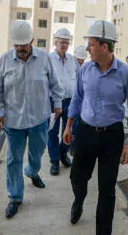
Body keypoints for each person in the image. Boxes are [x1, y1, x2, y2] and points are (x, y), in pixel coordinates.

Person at [63, 20, 128, 234]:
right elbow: (77, 98)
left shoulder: (126, 74)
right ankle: (78, 200)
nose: (87, 49)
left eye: (91, 44)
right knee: (77, 177)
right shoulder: (85, 69)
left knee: (107, 191)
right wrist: (69, 125)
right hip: (86, 133)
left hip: (112, 137)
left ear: (104, 47)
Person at [0, 21, 64, 218]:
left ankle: (32, 171)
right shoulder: (4, 61)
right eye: (17, 45)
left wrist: (57, 103)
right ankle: (15, 196)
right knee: (14, 159)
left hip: (39, 118)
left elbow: (55, 84)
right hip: (13, 121)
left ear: (31, 40)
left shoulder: (44, 59)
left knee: (38, 153)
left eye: (24, 44)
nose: (21, 49)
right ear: (12, 43)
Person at [47, 28, 78, 176]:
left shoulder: (72, 60)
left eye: (66, 42)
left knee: (71, 130)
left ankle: (63, 154)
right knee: (52, 132)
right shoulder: (48, 59)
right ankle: (54, 161)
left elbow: (80, 78)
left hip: (71, 101)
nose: (64, 45)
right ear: (55, 42)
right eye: (61, 42)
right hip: (52, 102)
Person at [69, 45, 88, 157]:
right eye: (79, 59)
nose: (80, 61)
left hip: (82, 102)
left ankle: (77, 147)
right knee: (72, 126)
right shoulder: (70, 65)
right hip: (71, 100)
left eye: (82, 59)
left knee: (79, 126)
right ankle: (72, 147)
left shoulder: (85, 67)